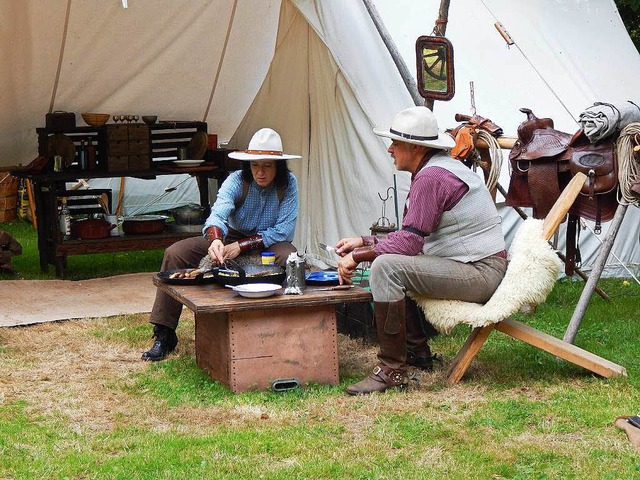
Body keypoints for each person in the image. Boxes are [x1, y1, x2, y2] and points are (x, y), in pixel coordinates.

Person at [335, 106, 508, 395]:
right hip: (476, 267)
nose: (390, 149)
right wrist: (364, 241)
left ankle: (391, 369)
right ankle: (417, 355)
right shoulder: (437, 169)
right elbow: (413, 234)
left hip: (481, 273)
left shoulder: (431, 177)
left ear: (415, 147)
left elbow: (409, 243)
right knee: (396, 262)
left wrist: (358, 257)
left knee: (387, 267)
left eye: (396, 143)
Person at [142, 128, 301, 361]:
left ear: (278, 166)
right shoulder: (236, 180)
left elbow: (284, 230)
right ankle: (164, 332)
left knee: (290, 256)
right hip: (230, 237)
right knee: (174, 253)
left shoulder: (288, 184)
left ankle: (286, 324)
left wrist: (244, 246)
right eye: (256, 165)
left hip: (270, 242)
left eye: (267, 165)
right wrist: (216, 239)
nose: (260, 172)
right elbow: (218, 214)